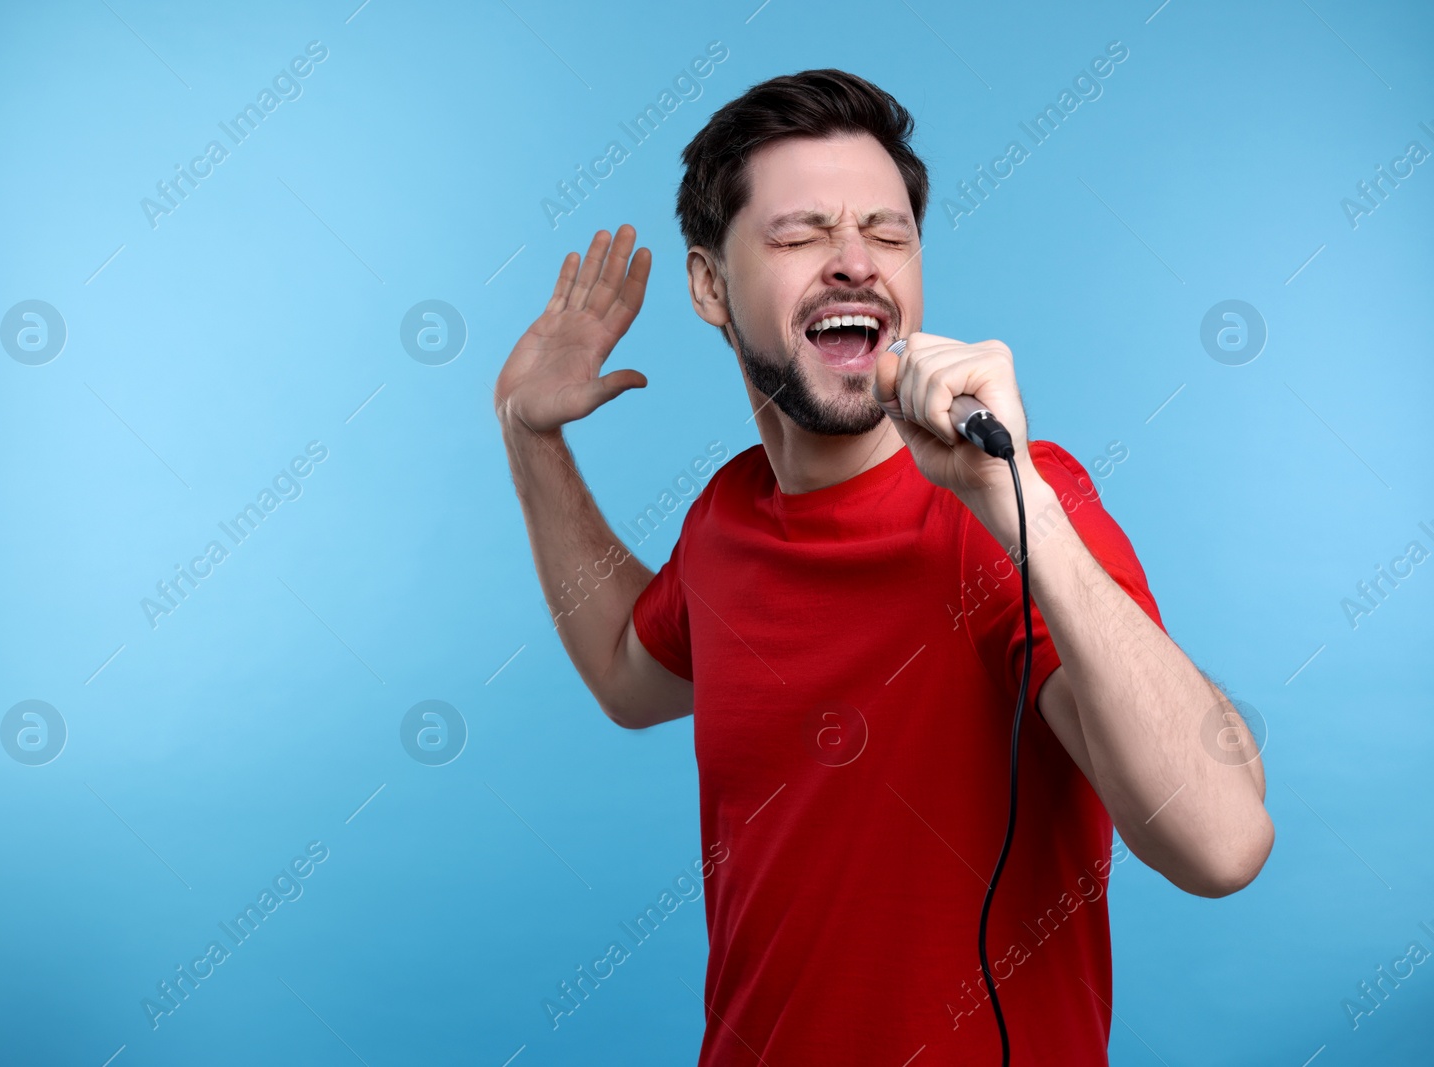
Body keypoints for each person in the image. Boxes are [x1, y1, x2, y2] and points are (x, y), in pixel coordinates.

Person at [494, 68, 1272, 1064]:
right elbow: (623, 668)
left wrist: (1015, 502)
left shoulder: (1018, 510)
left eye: (888, 233)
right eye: (801, 234)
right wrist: (528, 436)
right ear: (707, 286)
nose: (855, 262)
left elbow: (1221, 843)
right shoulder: (728, 514)